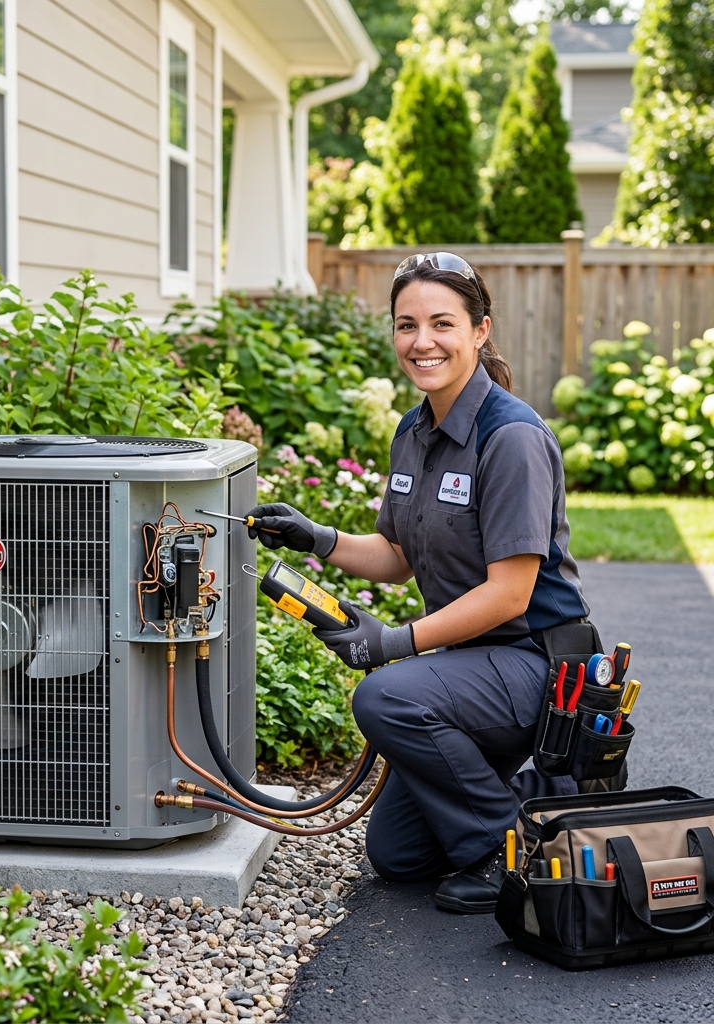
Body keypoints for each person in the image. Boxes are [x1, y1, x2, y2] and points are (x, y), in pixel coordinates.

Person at [245, 252, 605, 914]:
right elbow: (396, 554)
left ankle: (510, 853)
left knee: (386, 697)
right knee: (401, 856)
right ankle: (551, 804)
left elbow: (509, 595)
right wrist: (316, 538)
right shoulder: (415, 432)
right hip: (476, 666)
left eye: (442, 323)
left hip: (540, 665)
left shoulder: (511, 436)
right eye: (406, 325)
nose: (422, 341)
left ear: (480, 330)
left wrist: (394, 643)